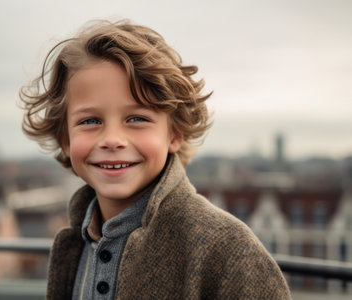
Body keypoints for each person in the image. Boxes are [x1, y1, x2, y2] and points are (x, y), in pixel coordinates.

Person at [20, 20, 291, 300]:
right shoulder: (74, 246)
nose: (112, 139)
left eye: (137, 119)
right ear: (66, 140)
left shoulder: (228, 251)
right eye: (90, 121)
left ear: (174, 134)